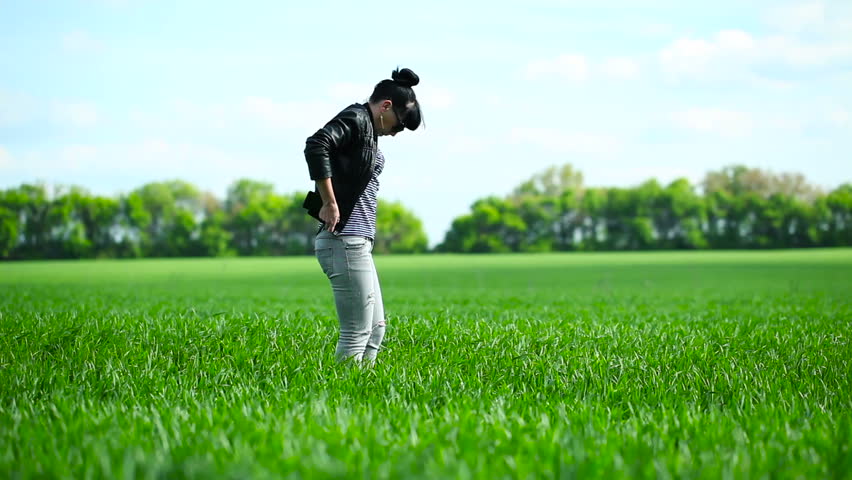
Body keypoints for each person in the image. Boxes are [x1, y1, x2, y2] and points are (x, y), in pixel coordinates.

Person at [303, 67, 423, 366]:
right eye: (399, 124)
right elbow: (317, 144)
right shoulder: (356, 119)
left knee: (375, 331)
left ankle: (361, 394)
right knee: (356, 333)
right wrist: (329, 202)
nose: (396, 133)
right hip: (342, 240)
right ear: (385, 106)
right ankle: (340, 399)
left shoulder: (368, 128)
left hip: (356, 241)